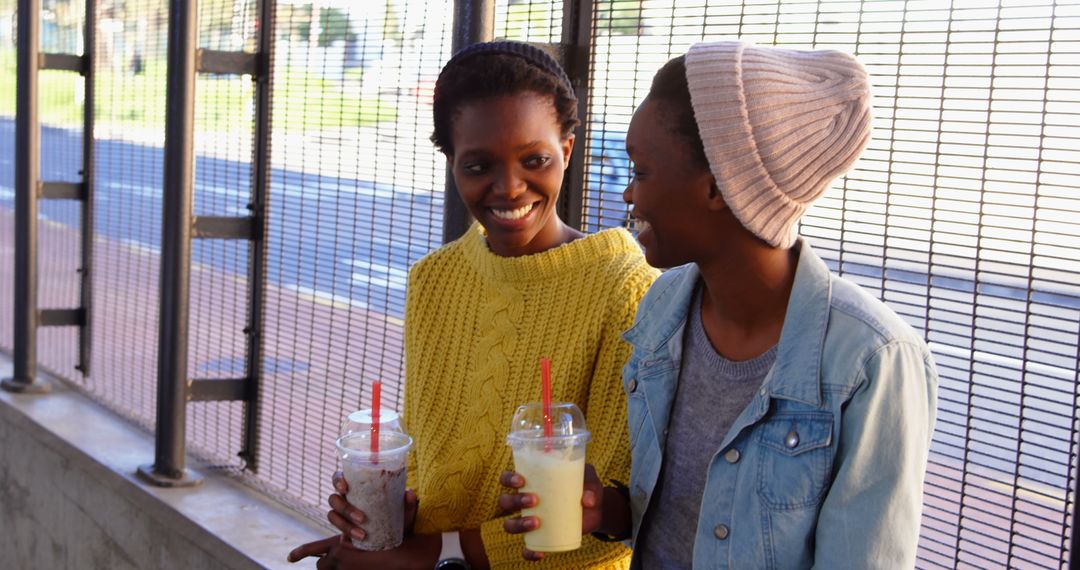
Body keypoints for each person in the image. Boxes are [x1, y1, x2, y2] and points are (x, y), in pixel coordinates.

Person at [502, 41, 939, 568]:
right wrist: (607, 510)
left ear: (716, 188)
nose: (628, 197)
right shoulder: (663, 307)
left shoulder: (872, 360)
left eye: (641, 171)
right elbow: (678, 520)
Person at [288, 41, 658, 569]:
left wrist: (436, 553)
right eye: (479, 165)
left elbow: (602, 518)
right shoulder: (434, 280)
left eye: (535, 160)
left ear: (568, 151)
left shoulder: (624, 288)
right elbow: (426, 460)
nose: (509, 188)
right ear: (451, 162)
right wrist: (384, 521)